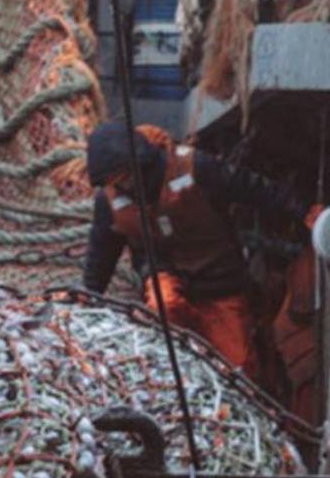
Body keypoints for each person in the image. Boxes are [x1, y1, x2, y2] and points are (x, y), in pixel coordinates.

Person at [82, 122, 319, 377]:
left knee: (239, 368)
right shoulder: (108, 202)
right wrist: (87, 293)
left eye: (124, 177)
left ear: (140, 163)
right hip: (166, 275)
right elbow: (102, 251)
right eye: (113, 182)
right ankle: (174, 377)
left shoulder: (195, 168)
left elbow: (252, 189)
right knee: (164, 306)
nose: (122, 186)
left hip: (219, 282)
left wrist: (302, 208)